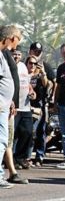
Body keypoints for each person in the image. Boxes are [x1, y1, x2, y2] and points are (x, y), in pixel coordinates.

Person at [0, 25, 23, 188]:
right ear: (11, 38)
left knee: (2, 139)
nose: (18, 44)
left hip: (5, 104)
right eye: (17, 39)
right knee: (1, 140)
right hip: (1, 105)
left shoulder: (3, 54)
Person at [28, 42, 55, 166]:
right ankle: (25, 156)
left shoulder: (45, 66)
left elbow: (52, 83)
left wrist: (51, 99)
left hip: (40, 103)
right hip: (27, 103)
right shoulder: (25, 64)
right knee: (27, 131)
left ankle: (39, 156)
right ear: (30, 51)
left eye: (38, 52)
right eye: (34, 51)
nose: (36, 54)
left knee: (40, 131)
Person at [12, 51, 36, 170]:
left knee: (28, 132)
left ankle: (20, 158)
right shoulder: (7, 65)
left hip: (26, 106)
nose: (16, 56)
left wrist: (32, 92)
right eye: (15, 54)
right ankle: (9, 160)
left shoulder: (22, 67)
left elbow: (26, 83)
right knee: (12, 135)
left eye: (19, 55)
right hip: (14, 107)